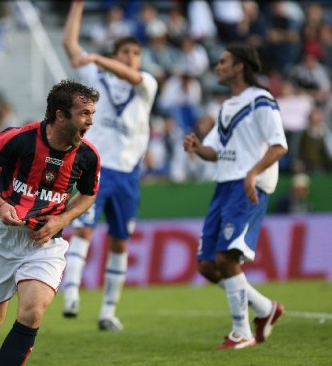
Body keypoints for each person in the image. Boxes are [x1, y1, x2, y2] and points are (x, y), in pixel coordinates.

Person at [0, 79, 101, 365]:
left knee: (32, 312)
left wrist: (61, 219)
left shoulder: (88, 155)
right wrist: (0, 205)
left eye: (92, 114)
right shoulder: (19, 139)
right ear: (60, 115)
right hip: (5, 236)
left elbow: (88, 195)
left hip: (46, 242)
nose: (90, 121)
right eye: (84, 113)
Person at [60, 0, 158, 331]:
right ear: (117, 56)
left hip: (129, 173)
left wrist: (98, 57)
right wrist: (77, 7)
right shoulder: (96, 80)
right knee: (83, 229)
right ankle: (71, 292)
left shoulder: (147, 84)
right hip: (96, 169)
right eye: (126, 53)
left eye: (136, 53)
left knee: (120, 241)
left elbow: (130, 75)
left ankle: (108, 312)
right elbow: (71, 45)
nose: (132, 58)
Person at [183, 44, 288, 349]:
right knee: (206, 265)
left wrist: (253, 174)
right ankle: (266, 309)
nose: (217, 67)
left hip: (247, 187)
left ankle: (241, 332)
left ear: (240, 66)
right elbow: (215, 151)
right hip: (224, 185)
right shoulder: (227, 106)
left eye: (223, 62)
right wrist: (196, 147)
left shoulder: (262, 100)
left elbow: (279, 145)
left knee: (226, 257)